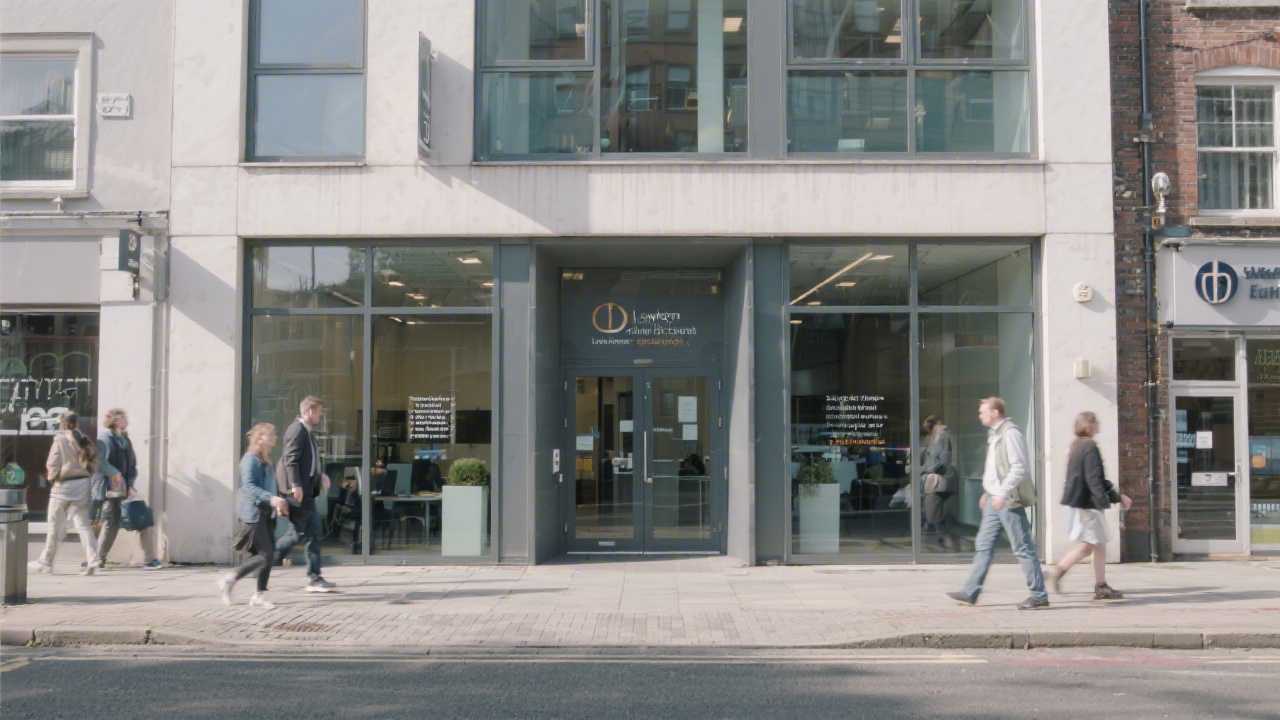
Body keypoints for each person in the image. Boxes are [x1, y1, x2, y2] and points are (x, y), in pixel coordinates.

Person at [946, 397, 1049, 610]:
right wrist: (988, 491)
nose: (979, 415)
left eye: (982, 412)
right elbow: (996, 469)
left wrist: (1001, 493)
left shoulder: (1010, 433)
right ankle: (970, 591)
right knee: (983, 545)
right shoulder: (994, 435)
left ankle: (1039, 595)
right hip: (995, 499)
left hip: (1008, 500)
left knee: (1022, 547)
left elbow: (1018, 467)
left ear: (995, 412)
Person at [1046, 412, 1131, 601]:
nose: (1099, 424)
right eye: (1096, 422)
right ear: (1089, 425)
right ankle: (1099, 587)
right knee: (1096, 544)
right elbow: (1094, 479)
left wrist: (1116, 496)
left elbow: (1094, 478)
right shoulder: (1089, 446)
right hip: (1087, 505)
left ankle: (1060, 572)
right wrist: (1105, 501)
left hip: (1081, 503)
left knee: (1090, 546)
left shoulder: (1076, 445)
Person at [219, 423, 291, 609]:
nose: (275, 436)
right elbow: (249, 487)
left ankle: (259, 593)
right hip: (253, 513)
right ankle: (231, 578)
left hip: (266, 512)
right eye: (271, 434)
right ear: (260, 438)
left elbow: (269, 486)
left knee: (269, 554)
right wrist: (271, 498)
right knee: (265, 554)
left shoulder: (266, 459)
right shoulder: (250, 460)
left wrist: (278, 503)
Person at [28, 412, 102, 576]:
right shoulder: (86, 440)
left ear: (63, 424)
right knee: (83, 525)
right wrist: (87, 474)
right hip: (82, 486)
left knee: (54, 525)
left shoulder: (59, 440)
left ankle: (46, 562)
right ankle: (93, 559)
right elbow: (95, 462)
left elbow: (52, 464)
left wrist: (53, 479)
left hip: (63, 487)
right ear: (78, 423)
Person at [89, 409, 163, 570]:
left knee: (141, 517)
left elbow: (131, 463)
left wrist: (129, 482)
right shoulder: (105, 438)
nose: (126, 420)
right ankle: (98, 557)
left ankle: (150, 558)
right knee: (111, 523)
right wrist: (114, 473)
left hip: (123, 488)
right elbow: (99, 462)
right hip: (110, 489)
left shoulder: (124, 438)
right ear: (114, 421)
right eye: (122, 418)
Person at [275, 396, 335, 592]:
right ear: (309, 411)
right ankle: (264, 559)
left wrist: (321, 475)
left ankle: (315, 578)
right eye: (319, 412)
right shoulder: (297, 430)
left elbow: (308, 464)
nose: (320, 415)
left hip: (307, 492)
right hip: (298, 493)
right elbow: (290, 460)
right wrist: (295, 485)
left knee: (311, 534)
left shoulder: (308, 432)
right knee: (298, 534)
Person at [920, 415, 959, 549]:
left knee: (936, 509)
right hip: (936, 480)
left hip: (944, 479)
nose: (930, 430)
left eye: (931, 427)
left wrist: (925, 468)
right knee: (933, 509)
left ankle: (946, 540)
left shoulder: (945, 437)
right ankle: (939, 538)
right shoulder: (931, 439)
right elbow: (926, 459)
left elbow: (943, 461)